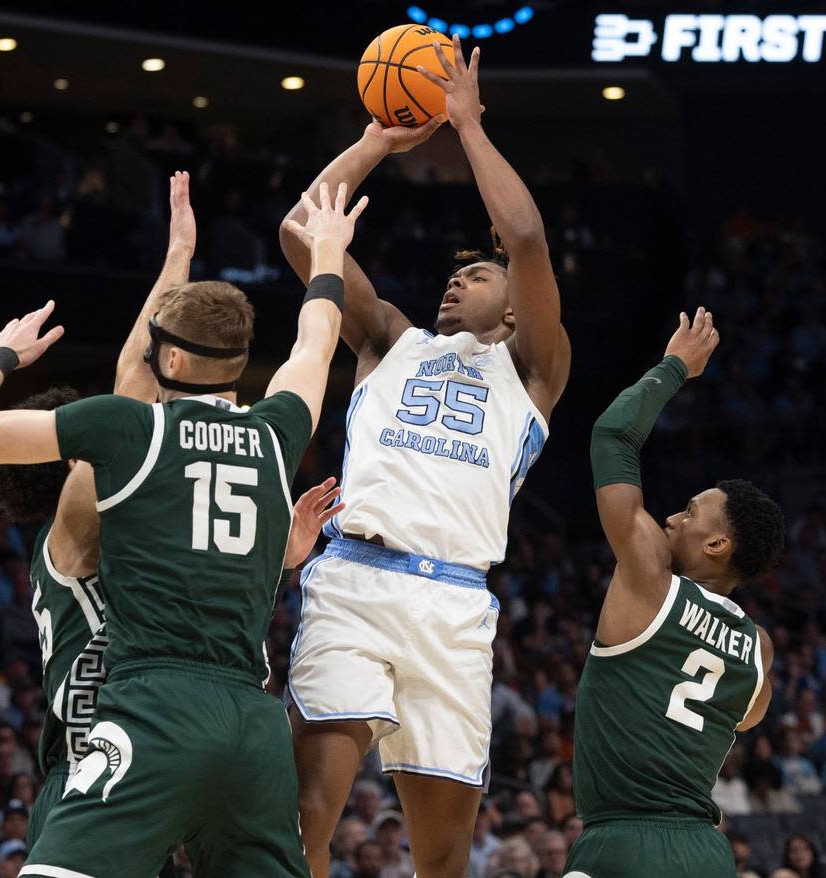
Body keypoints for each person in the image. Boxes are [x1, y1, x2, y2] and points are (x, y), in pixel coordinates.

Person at [0, 180, 366, 877]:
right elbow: (315, 344)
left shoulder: (130, 441)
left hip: (142, 729)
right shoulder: (274, 431)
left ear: (170, 360)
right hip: (247, 723)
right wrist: (326, 256)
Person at [279, 33, 570, 878]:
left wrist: (468, 127)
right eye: (456, 272)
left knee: (442, 857)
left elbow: (526, 237)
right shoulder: (387, 341)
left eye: (478, 274)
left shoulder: (534, 370)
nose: (458, 280)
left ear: (516, 311)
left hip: (454, 607)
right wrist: (376, 141)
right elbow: (303, 230)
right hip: (355, 583)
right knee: (306, 820)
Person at [563, 308, 785, 878]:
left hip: (622, 845)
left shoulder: (649, 583)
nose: (671, 516)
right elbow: (744, 720)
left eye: (689, 513)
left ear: (715, 545)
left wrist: (673, 368)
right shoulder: (759, 649)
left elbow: (613, 434)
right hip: (707, 854)